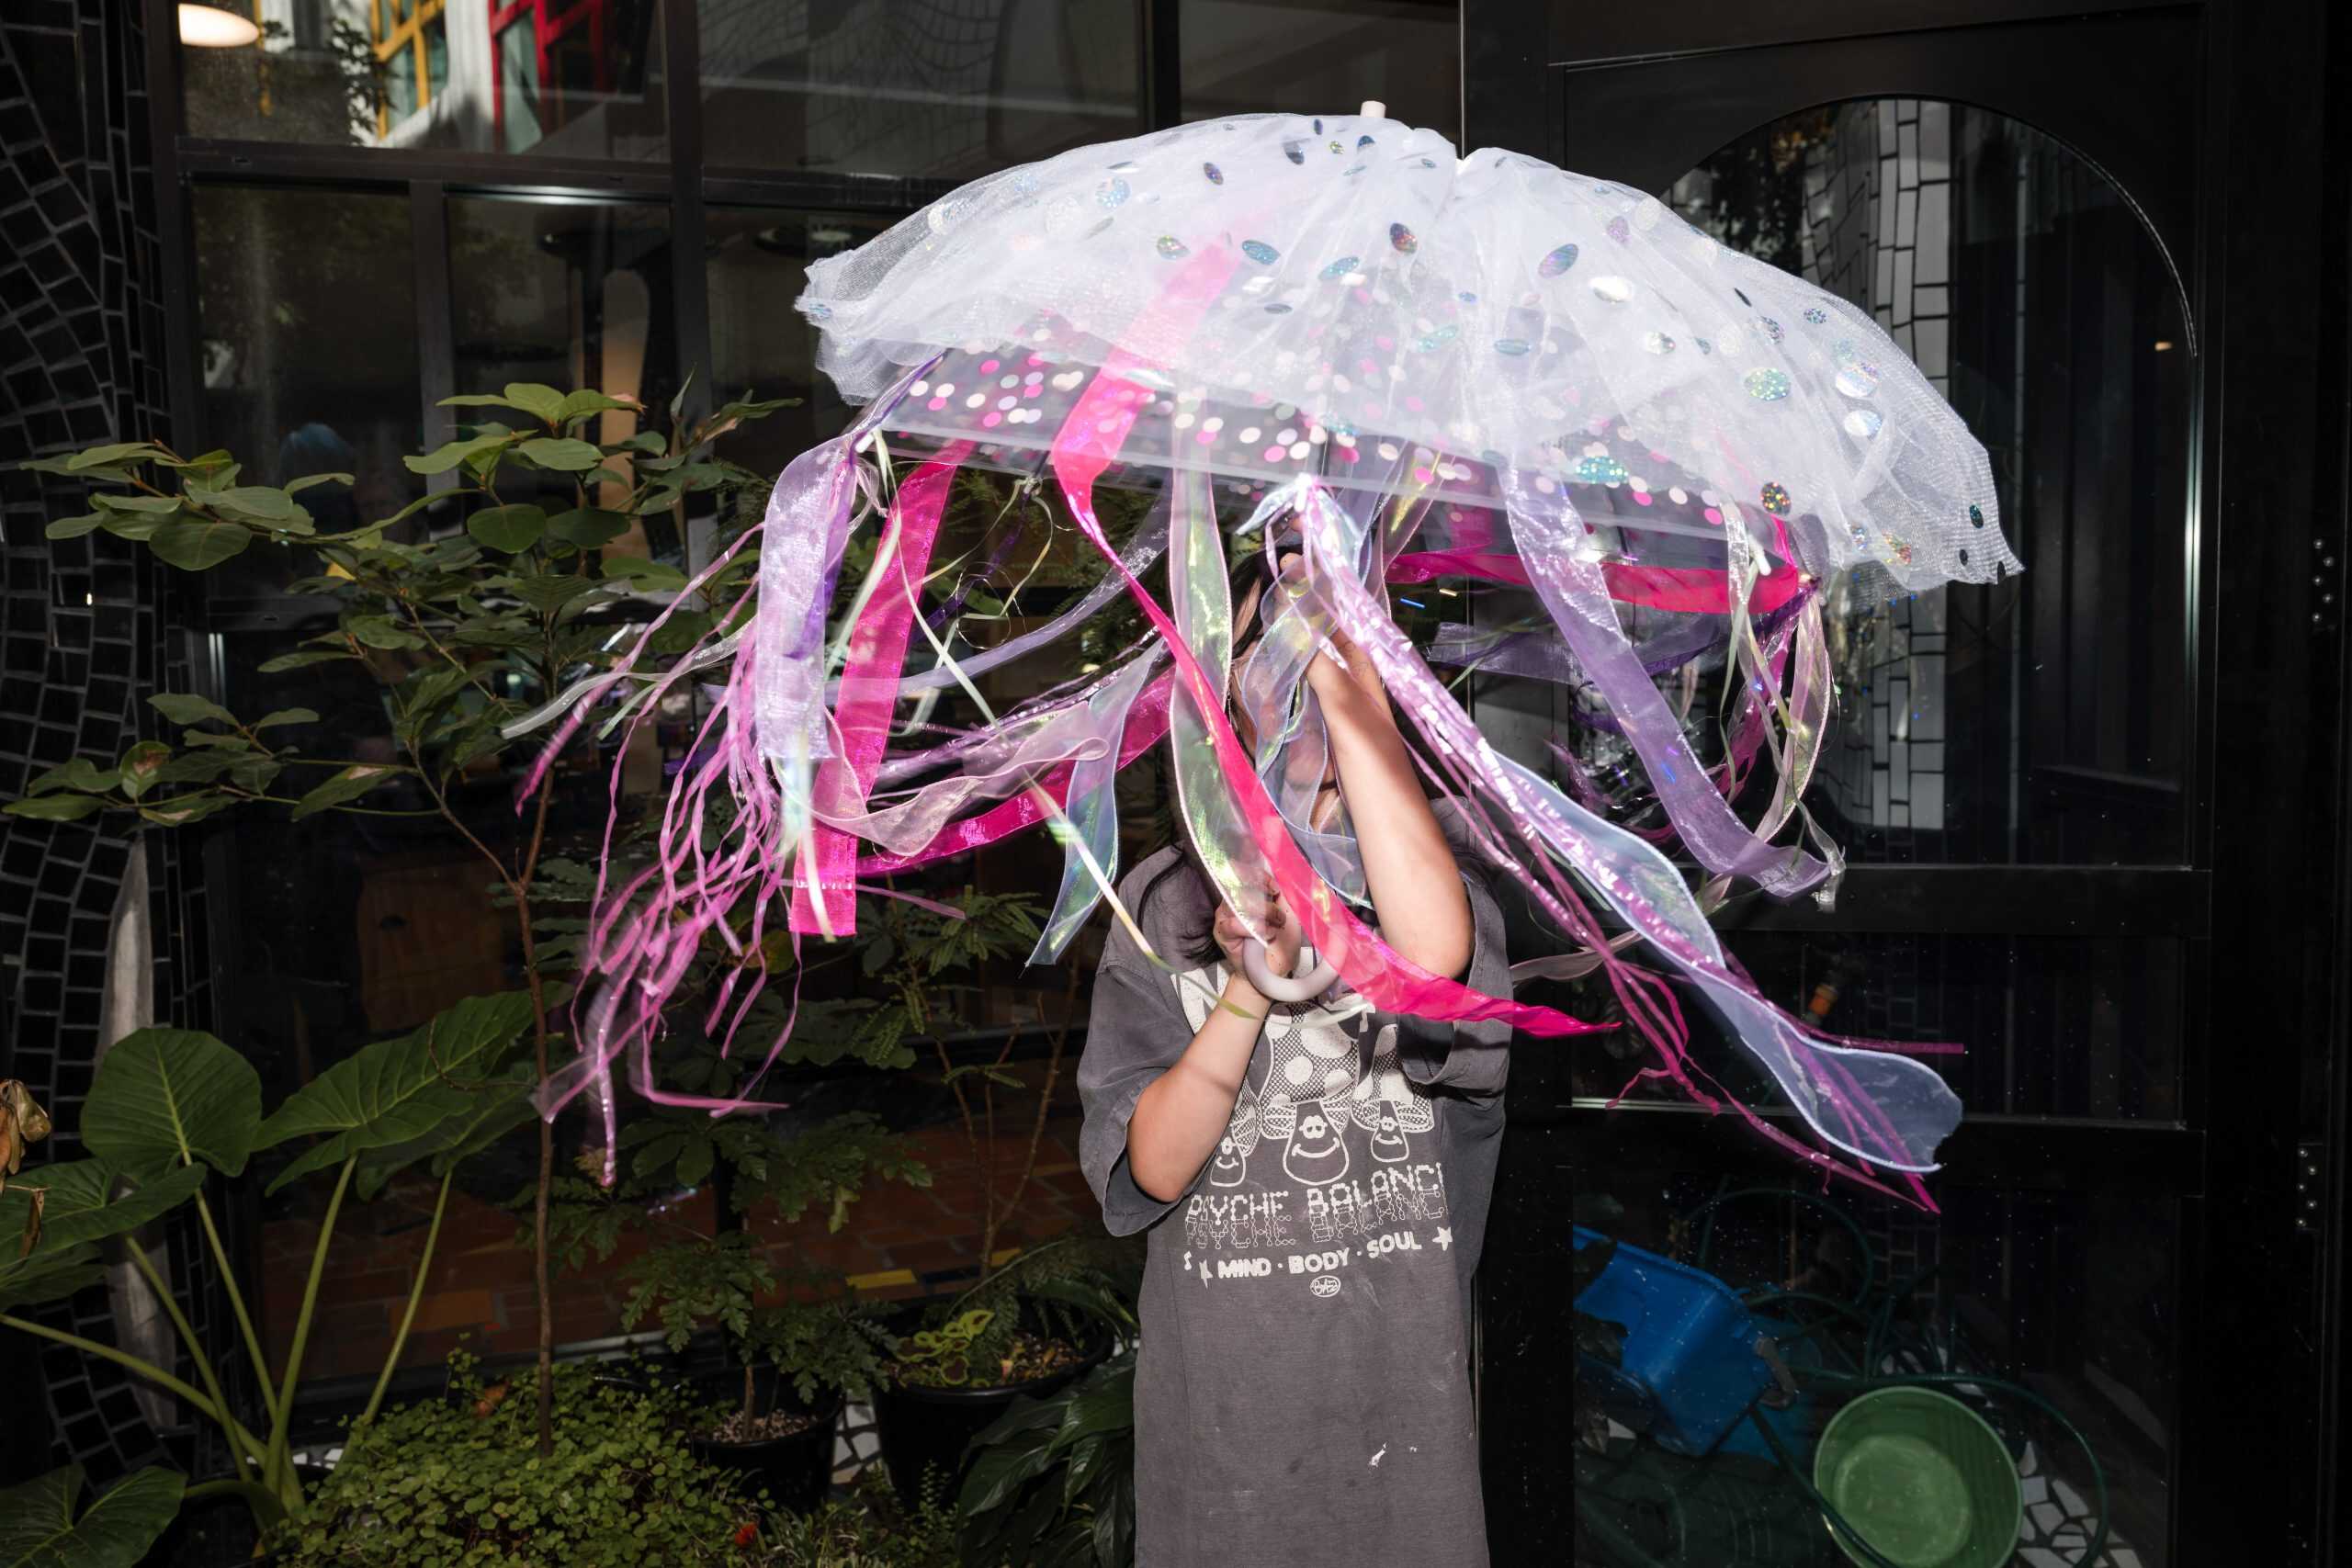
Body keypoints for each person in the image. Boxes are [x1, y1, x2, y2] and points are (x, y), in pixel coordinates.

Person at [1078, 551, 1513, 1568]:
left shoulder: (1445, 899)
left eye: (1301, 655)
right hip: (1222, 1427)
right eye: (1248, 659)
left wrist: (1338, 670)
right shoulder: (1162, 904)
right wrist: (1243, 987)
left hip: (1405, 1422)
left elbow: (1430, 963)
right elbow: (1154, 1167)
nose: (1277, 682)